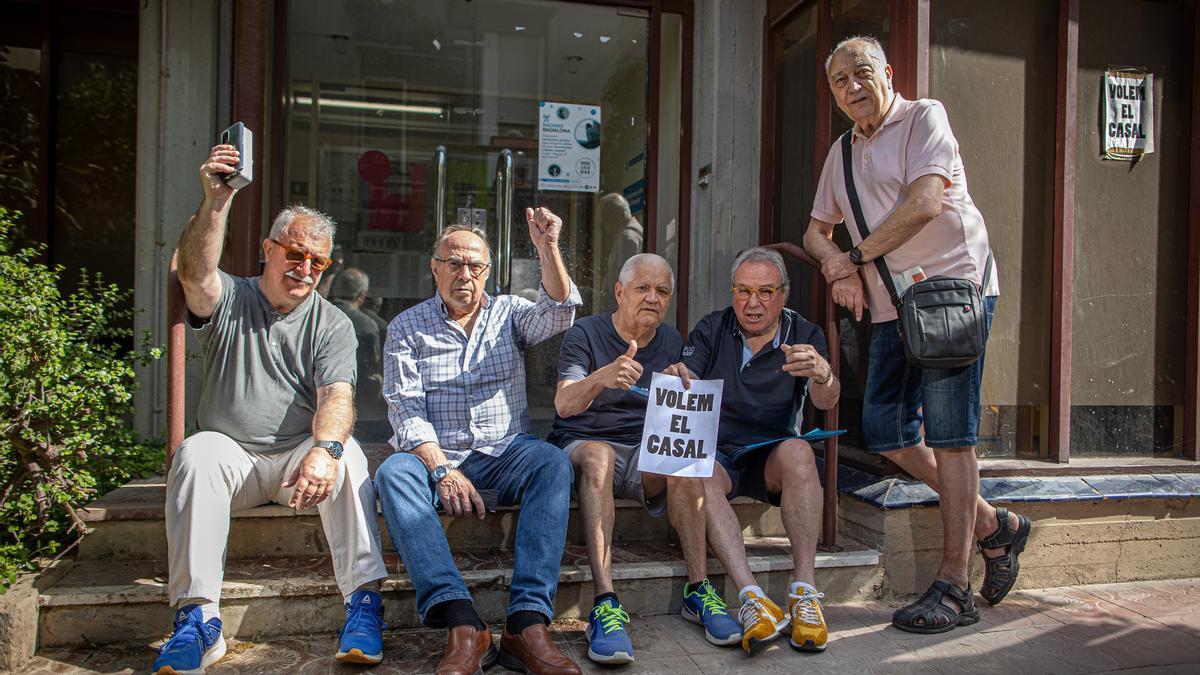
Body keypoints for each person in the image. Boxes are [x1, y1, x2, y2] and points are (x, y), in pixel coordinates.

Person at [802, 35, 1030, 634]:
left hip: (952, 292)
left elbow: (926, 202)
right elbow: (812, 232)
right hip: (889, 307)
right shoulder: (841, 152)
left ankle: (956, 586)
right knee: (886, 430)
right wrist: (833, 264)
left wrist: (850, 255)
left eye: (863, 73)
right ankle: (994, 526)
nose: (852, 87)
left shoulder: (923, 117)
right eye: (839, 81)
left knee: (953, 436)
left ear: (889, 73)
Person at [154, 145, 389, 673]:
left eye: (318, 261)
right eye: (295, 254)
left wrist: (325, 449)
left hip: (294, 468)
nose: (305, 268)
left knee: (349, 458)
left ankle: (363, 605)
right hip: (231, 460)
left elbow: (338, 396)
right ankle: (198, 619)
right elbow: (194, 272)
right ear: (268, 249)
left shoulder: (333, 323)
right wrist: (217, 201)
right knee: (195, 454)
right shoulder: (233, 297)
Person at [376, 209, 584, 675]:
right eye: (453, 263)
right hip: (439, 456)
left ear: (487, 272)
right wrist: (441, 469)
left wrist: (548, 246)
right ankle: (462, 620)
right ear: (435, 267)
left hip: (504, 452)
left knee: (552, 462)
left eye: (475, 266)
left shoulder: (508, 313)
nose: (464, 274)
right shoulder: (406, 327)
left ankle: (526, 624)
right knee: (392, 473)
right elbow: (405, 409)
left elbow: (560, 311)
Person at [549, 253, 742, 664]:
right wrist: (602, 376)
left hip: (641, 455)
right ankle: (605, 603)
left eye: (662, 291)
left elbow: (679, 417)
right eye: (642, 288)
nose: (652, 298)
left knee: (683, 455)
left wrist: (683, 388)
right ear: (619, 292)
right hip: (584, 444)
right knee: (599, 457)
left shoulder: (672, 340)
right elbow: (564, 405)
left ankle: (698, 590)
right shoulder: (584, 333)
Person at [664, 247, 840, 655]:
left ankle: (804, 593)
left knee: (799, 452)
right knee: (697, 469)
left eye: (764, 291)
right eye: (743, 291)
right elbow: (689, 375)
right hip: (721, 453)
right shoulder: (713, 327)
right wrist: (681, 376)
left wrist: (824, 373)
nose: (753, 302)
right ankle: (752, 598)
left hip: (771, 454)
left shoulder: (805, 334)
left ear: (783, 295)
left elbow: (828, 400)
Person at [329, 268, 383, 402]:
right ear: (362, 296)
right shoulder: (367, 324)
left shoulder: (318, 314)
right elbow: (373, 366)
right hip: (357, 395)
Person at [597, 193, 643, 313]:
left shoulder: (627, 237)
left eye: (604, 216)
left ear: (616, 215)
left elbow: (624, 275)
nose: (602, 223)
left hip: (619, 303)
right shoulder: (629, 233)